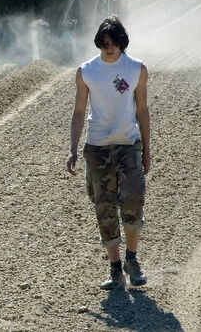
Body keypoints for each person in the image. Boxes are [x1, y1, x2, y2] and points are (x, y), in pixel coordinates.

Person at [66, 16, 151, 290]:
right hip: (98, 147)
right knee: (104, 207)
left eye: (113, 43)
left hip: (128, 144)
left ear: (122, 43)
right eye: (104, 44)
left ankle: (132, 260)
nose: (109, 48)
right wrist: (73, 149)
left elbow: (142, 111)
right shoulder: (87, 71)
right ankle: (115, 269)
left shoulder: (137, 69)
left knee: (133, 199)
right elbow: (79, 112)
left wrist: (147, 150)